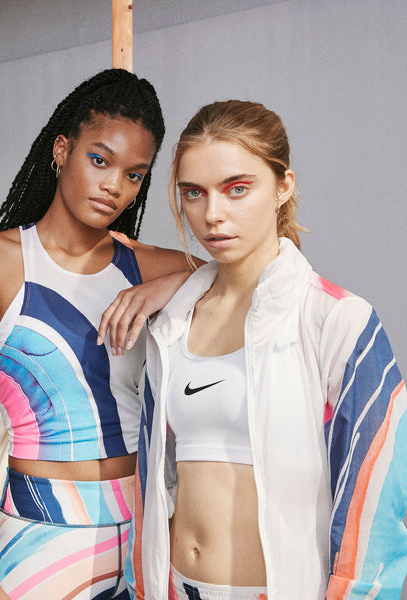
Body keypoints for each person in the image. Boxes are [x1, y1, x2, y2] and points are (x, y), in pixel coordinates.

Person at [125, 100, 407, 600]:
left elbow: (377, 498)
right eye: (194, 193)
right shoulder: (169, 324)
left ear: (283, 187)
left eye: (237, 189)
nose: (212, 215)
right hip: (174, 586)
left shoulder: (336, 319)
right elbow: (154, 476)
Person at [0, 68, 198, 600]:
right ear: (62, 149)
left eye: (135, 174)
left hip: (146, 532)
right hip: (41, 535)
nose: (114, 186)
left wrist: (172, 283)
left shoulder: (146, 266)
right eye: (100, 160)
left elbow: (264, 277)